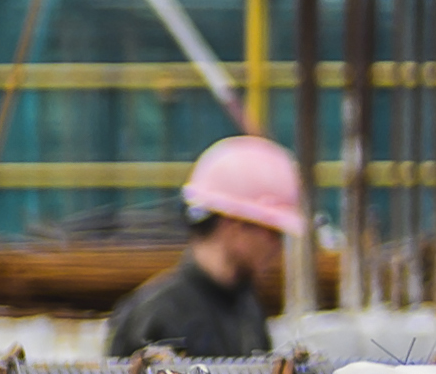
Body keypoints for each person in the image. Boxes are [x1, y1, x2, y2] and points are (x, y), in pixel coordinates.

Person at [107, 135, 306, 360]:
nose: (277, 247)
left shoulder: (246, 307)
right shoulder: (156, 316)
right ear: (235, 224)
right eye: (273, 232)